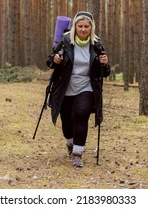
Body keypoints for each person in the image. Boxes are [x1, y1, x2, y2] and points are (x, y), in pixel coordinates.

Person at [47, 11, 110, 167]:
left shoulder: (96, 44)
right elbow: (49, 62)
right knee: (67, 121)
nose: (83, 29)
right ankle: (70, 143)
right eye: (80, 26)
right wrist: (55, 60)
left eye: (86, 26)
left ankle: (77, 153)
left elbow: (105, 72)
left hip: (86, 86)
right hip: (65, 87)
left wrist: (105, 63)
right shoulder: (65, 41)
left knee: (80, 114)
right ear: (75, 26)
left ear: (91, 27)